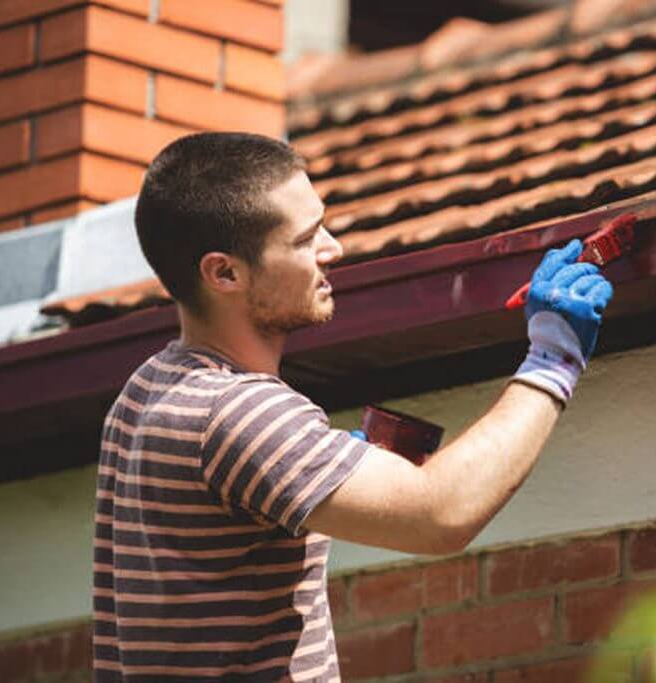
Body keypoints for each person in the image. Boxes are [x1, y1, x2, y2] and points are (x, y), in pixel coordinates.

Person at [93, 132, 614, 682]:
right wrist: (554, 357)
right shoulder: (237, 413)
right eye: (305, 238)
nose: (334, 248)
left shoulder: (146, 392)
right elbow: (440, 516)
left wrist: (320, 464)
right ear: (225, 273)